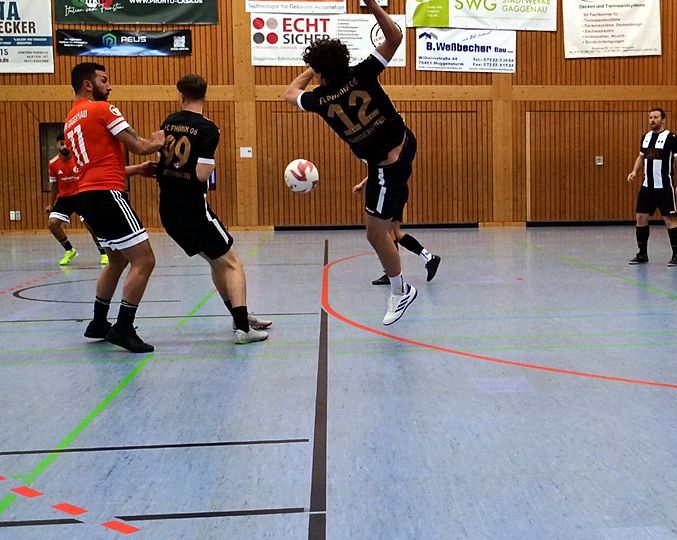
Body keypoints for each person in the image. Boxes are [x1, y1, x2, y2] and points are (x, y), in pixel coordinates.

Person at [284, 0, 418, 325]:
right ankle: (374, 178)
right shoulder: (363, 72)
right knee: (381, 209)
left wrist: (312, 69)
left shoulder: (318, 99)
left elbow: (290, 92)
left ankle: (401, 291)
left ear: (320, 72)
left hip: (387, 166)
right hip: (404, 142)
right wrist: (371, 3)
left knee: (376, 234)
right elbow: (395, 36)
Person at [155, 74, 271, 344]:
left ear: (181, 95)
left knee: (217, 262)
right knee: (233, 263)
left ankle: (240, 316)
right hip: (193, 210)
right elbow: (202, 173)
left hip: (168, 209)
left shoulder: (169, 122)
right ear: (205, 95)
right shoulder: (208, 128)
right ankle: (243, 329)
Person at [66, 62, 165, 353]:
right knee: (144, 260)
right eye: (104, 80)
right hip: (108, 195)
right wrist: (159, 141)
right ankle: (123, 327)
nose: (109, 86)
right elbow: (140, 146)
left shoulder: (71, 119)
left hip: (87, 196)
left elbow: (97, 164)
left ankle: (98, 322)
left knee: (117, 260)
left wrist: (136, 170)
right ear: (88, 84)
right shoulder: (103, 109)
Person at [352, 175, 441, 286]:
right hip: (397, 190)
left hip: (393, 191)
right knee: (395, 232)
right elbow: (378, 170)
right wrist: (363, 183)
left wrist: (363, 184)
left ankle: (392, 274)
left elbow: (383, 169)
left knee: (389, 233)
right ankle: (429, 258)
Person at [626, 108, 677, 267]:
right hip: (647, 186)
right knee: (640, 217)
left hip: (664, 186)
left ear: (663, 119)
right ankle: (642, 254)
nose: (652, 120)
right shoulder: (645, 137)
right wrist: (634, 171)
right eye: (650, 117)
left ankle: (676, 255)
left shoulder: (671, 138)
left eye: (656, 117)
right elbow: (641, 157)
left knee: (669, 220)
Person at [45, 133, 108, 266]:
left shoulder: (79, 160)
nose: (64, 146)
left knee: (91, 226)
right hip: (64, 198)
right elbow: (54, 185)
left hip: (81, 195)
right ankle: (69, 250)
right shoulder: (53, 163)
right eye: (61, 144)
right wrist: (51, 204)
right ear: (57, 145)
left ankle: (103, 253)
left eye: (66, 144)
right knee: (52, 223)